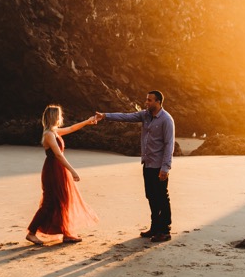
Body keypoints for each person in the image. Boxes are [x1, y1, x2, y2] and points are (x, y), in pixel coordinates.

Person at [95, 90, 175, 243]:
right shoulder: (145, 115)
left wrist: (165, 168)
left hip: (159, 166)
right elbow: (126, 117)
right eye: (146, 100)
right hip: (147, 163)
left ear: (158, 102)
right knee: (151, 196)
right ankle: (155, 227)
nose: (147, 103)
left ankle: (165, 230)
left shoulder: (166, 120)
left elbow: (169, 145)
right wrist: (105, 115)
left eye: (150, 100)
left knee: (162, 198)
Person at [25, 104, 99, 246]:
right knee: (49, 202)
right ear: (54, 117)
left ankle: (66, 233)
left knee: (63, 200)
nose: (61, 117)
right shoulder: (48, 134)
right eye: (59, 115)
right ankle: (31, 233)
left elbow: (71, 128)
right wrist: (73, 170)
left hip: (58, 169)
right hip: (53, 170)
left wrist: (87, 121)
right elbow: (58, 155)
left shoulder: (54, 132)